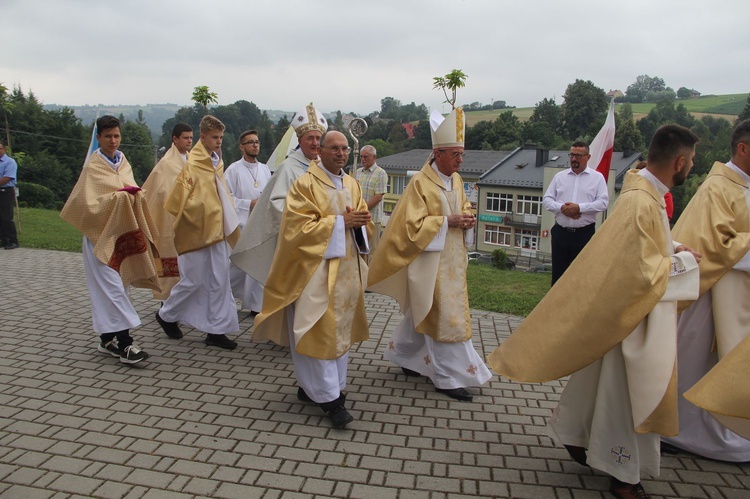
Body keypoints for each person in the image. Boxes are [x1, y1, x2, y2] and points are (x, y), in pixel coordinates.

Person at [488, 124, 702, 499]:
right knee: (626, 393)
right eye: (692, 161)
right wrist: (684, 263)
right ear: (680, 161)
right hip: (631, 319)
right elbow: (640, 270)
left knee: (599, 381)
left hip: (626, 313)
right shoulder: (641, 200)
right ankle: (622, 473)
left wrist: (675, 245)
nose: (691, 167)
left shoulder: (645, 193)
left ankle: (576, 435)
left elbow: (647, 247)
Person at [367, 108, 492, 403]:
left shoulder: (457, 180)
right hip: (430, 259)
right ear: (438, 153)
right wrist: (447, 221)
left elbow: (463, 206)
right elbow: (410, 225)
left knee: (427, 309)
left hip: (453, 258)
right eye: (455, 155)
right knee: (442, 315)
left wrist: (468, 217)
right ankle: (447, 377)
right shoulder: (420, 184)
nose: (460, 161)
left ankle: (406, 354)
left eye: (462, 155)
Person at [253, 130, 372, 429]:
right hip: (314, 273)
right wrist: (339, 223)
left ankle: (317, 388)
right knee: (317, 329)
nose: (341, 154)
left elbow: (361, 224)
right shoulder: (304, 184)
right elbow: (295, 229)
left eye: (345, 149)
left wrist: (360, 224)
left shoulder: (352, 184)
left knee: (339, 332)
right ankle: (330, 400)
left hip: (346, 272)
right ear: (321, 151)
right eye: (334, 148)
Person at [660, 119, 750, 461]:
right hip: (709, 297)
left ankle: (726, 429)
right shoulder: (718, 187)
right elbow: (709, 247)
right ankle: (682, 431)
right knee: (695, 363)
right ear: (742, 148)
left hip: (737, 299)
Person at [60, 115, 159, 364]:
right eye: (107, 136)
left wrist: (135, 194)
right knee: (113, 290)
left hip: (122, 235)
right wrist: (119, 197)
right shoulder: (93, 167)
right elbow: (87, 205)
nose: (113, 141)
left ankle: (107, 339)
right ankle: (127, 345)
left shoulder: (123, 162)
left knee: (120, 286)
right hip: (100, 237)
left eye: (116, 136)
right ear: (99, 138)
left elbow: (130, 187)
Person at [154, 115, 241, 350]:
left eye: (221, 138)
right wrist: (204, 211)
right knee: (194, 280)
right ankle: (166, 315)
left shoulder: (216, 163)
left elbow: (222, 195)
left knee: (220, 281)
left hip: (218, 232)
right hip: (197, 232)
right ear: (202, 137)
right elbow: (177, 202)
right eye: (214, 137)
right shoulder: (192, 165)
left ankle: (216, 331)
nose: (219, 142)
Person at [230, 103, 327, 286]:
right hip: (297, 240)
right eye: (310, 138)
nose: (315, 143)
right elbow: (277, 205)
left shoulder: (324, 168)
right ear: (300, 140)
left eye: (318, 138)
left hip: (322, 237)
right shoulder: (288, 168)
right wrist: (306, 219)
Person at [542, 141, 609, 285]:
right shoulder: (559, 177)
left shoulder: (597, 178)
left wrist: (579, 208)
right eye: (571, 155)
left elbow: (603, 203)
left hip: (584, 235)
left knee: (582, 276)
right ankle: (556, 306)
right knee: (558, 276)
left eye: (578, 156)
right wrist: (563, 208)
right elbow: (546, 200)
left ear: (588, 157)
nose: (574, 159)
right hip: (561, 233)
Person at [141, 123, 193, 301]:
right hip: (170, 221)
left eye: (191, 138)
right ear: (175, 139)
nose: (189, 141)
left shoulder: (193, 160)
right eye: (185, 138)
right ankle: (167, 303)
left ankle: (185, 304)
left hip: (191, 222)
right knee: (170, 263)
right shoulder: (166, 164)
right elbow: (156, 190)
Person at [224, 130, 272, 314]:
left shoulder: (265, 169)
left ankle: (256, 305)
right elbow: (227, 199)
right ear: (241, 147)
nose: (255, 145)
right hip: (241, 227)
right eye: (250, 142)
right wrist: (248, 204)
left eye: (257, 142)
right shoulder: (233, 170)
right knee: (236, 267)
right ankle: (223, 297)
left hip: (260, 226)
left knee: (257, 266)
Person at [356, 145, 388, 262]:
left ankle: (369, 279)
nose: (363, 159)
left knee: (371, 252)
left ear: (374, 157)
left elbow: (378, 196)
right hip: (359, 220)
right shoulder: (358, 172)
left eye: (366, 157)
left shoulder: (381, 173)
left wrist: (362, 208)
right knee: (359, 250)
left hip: (373, 220)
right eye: (361, 157)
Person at [0, 141, 19, 250]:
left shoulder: (10, 162)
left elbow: (7, 177)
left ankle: (13, 241)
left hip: (6, 191)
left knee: (6, 217)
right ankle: (4, 239)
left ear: (4, 149)